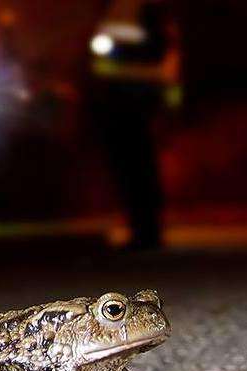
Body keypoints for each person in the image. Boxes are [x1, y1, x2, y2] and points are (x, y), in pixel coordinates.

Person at [88, 0, 180, 250]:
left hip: (132, 95)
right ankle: (144, 229)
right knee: (133, 166)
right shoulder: (127, 9)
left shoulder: (138, 9)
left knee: (137, 166)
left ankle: (147, 230)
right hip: (125, 95)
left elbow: (159, 52)